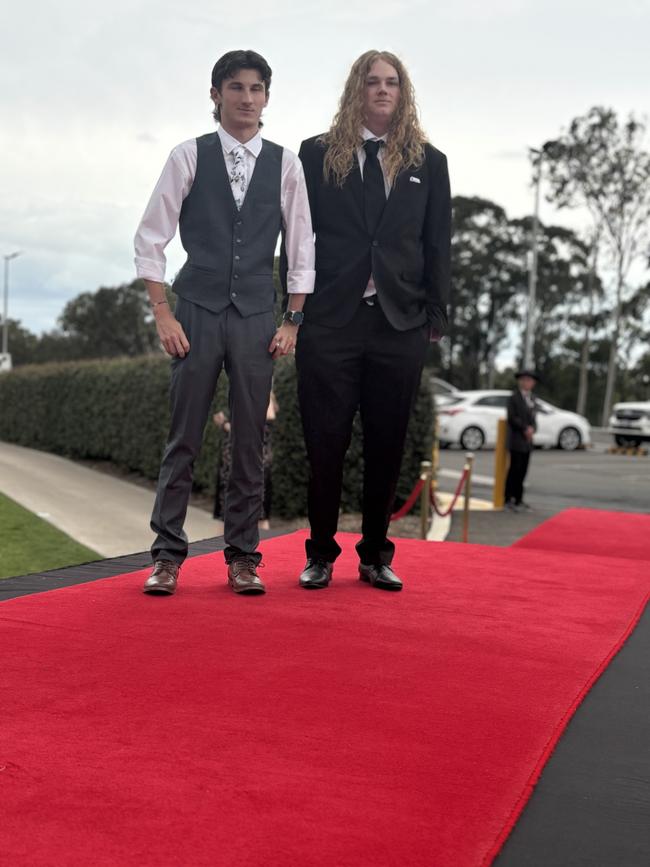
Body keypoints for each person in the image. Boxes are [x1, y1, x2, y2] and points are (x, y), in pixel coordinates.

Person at [134, 50, 314, 596]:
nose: (246, 98)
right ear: (216, 94)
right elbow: (150, 238)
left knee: (250, 440)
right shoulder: (187, 155)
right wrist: (162, 311)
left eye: (256, 89)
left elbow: (302, 246)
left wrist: (293, 322)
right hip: (195, 312)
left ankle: (243, 558)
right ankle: (166, 556)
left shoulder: (286, 164)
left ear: (266, 97)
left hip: (260, 317)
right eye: (236, 88)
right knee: (183, 438)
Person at [294, 50, 451, 591]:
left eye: (391, 83)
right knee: (325, 442)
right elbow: (297, 238)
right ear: (355, 91)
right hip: (330, 320)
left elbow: (438, 244)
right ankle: (319, 553)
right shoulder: (316, 155)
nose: (382, 90)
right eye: (372, 82)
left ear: (403, 93)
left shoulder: (428, 162)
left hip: (399, 324)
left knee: (387, 442)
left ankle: (375, 554)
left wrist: (434, 314)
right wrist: (294, 309)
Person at [504, 370, 539, 512]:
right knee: (514, 469)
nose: (526, 383)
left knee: (523, 471)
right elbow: (512, 418)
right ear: (520, 382)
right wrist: (525, 428)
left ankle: (519, 499)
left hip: (527, 442)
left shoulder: (533, 398)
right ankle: (508, 498)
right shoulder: (514, 398)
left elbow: (534, 419)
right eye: (524, 380)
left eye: (529, 381)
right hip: (516, 439)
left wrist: (533, 429)